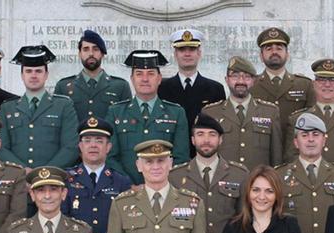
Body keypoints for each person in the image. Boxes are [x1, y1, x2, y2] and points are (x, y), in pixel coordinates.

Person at [106, 51, 190, 184]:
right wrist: (129, 185)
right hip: (126, 191)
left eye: (151, 74)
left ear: (159, 79)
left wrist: (160, 185)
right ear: (132, 79)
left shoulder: (176, 113)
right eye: (139, 74)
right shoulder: (115, 112)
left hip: (164, 190)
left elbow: (181, 158)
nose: (145, 79)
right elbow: (110, 157)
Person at [0, 45, 80, 169]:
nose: (33, 75)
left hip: (53, 181)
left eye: (38, 71)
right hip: (17, 180)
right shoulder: (7, 108)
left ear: (46, 74)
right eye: (28, 71)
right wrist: (22, 170)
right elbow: (1, 148)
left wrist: (45, 172)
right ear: (22, 75)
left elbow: (71, 147)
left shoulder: (63, 105)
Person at [201, 56, 282, 167]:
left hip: (257, 181)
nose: (241, 81)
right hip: (223, 181)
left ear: (254, 81)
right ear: (226, 79)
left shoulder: (270, 112)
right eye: (235, 76)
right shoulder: (211, 113)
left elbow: (276, 157)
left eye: (247, 77)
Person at [158, 28, 226, 155]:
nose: (187, 54)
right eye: (182, 50)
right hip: (170, 155)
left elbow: (219, 128)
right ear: (175, 54)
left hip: (204, 155)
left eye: (192, 49)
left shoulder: (215, 89)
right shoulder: (162, 88)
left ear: (199, 53)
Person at [54, 30, 132, 122]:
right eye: (86, 49)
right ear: (79, 54)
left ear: (102, 54)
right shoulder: (63, 87)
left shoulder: (120, 86)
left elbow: (126, 122)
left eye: (95, 49)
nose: (91, 53)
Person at [250, 27, 315, 134]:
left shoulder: (304, 85)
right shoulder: (251, 85)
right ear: (261, 56)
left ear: (287, 54)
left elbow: (311, 120)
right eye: (269, 49)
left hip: (294, 147)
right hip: (263, 148)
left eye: (279, 48)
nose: (274, 52)